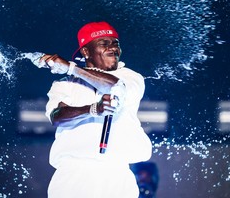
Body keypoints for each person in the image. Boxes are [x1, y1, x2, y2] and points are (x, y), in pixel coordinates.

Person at [35, 21, 152, 198]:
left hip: (116, 173)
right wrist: (92, 109)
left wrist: (71, 68)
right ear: (86, 51)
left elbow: (116, 87)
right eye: (104, 43)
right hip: (72, 175)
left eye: (115, 44)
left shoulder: (131, 77)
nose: (112, 48)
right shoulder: (64, 83)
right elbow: (56, 117)